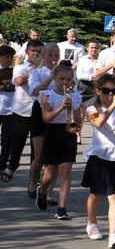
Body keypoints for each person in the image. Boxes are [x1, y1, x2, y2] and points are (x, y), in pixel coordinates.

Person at [81, 74, 115, 248]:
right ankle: (91, 223)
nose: (110, 94)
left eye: (114, 90)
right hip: (99, 155)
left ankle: (113, 235)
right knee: (96, 194)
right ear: (98, 91)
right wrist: (112, 106)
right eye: (106, 91)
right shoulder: (93, 108)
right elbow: (98, 123)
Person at [37, 62, 82, 219]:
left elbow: (78, 120)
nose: (65, 82)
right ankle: (42, 192)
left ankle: (62, 208)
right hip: (53, 132)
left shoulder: (75, 96)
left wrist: (71, 108)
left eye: (68, 79)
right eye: (62, 78)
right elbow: (46, 118)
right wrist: (61, 108)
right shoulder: (47, 95)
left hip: (68, 132)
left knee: (66, 171)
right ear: (54, 77)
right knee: (49, 175)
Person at [6, 39, 43, 191]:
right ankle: (13, 164)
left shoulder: (45, 69)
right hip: (21, 110)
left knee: (37, 147)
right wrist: (34, 70)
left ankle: (34, 177)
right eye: (33, 51)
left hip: (39, 110)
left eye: (39, 51)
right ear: (27, 52)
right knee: (18, 141)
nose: (36, 54)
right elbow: (20, 81)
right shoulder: (20, 67)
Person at [29, 44, 61, 201]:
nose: (53, 59)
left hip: (57, 113)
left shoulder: (63, 73)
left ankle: (48, 193)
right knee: (40, 156)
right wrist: (51, 77)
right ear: (44, 56)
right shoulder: (36, 72)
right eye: (50, 55)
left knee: (54, 159)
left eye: (56, 56)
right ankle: (34, 180)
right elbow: (35, 91)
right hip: (39, 111)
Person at [0, 45, 16, 179]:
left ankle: (2, 163)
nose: (9, 60)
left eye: (11, 57)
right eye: (7, 57)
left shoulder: (15, 71)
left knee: (7, 139)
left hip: (9, 109)